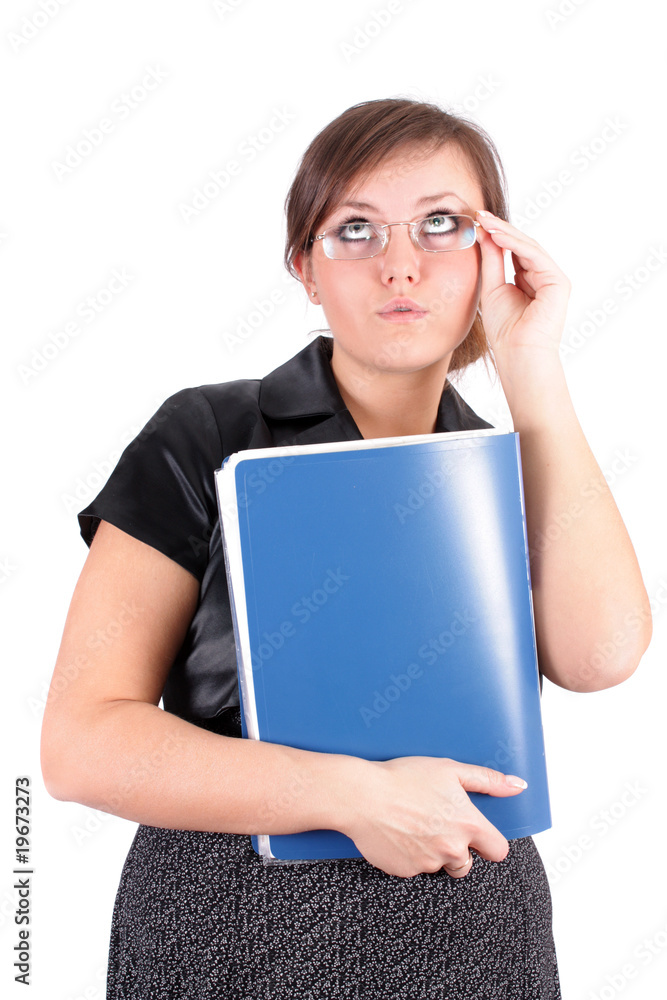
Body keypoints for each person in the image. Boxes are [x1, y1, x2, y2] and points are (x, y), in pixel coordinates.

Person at [40, 98, 652, 999]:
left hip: (473, 931)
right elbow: (81, 744)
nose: (400, 264)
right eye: (355, 230)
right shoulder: (206, 434)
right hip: (235, 930)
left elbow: (600, 657)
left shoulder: (517, 459)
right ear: (305, 268)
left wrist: (531, 366)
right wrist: (351, 796)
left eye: (441, 224)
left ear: (492, 254)